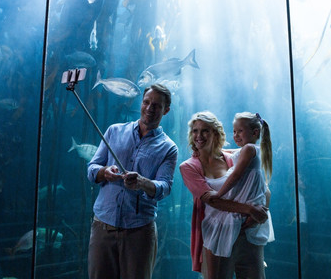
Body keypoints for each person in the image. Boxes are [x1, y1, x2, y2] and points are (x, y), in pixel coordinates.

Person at [86, 83, 178, 279]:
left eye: (157, 106)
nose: (149, 108)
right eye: (146, 102)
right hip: (103, 225)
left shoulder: (168, 147)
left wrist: (143, 182)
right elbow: (92, 169)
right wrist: (105, 171)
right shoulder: (114, 131)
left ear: (166, 110)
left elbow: (165, 187)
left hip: (139, 231)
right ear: (141, 102)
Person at [179, 111, 269, 279]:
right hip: (217, 232)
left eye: (205, 130)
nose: (199, 135)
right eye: (195, 131)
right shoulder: (188, 167)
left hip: (247, 231)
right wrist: (250, 209)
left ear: (215, 132)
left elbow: (264, 187)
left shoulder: (231, 157)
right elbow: (212, 200)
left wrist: (260, 213)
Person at [202, 112, 274, 278]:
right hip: (251, 212)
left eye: (239, 131)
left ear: (255, 132)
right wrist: (213, 149)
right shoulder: (253, 149)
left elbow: (235, 176)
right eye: (234, 131)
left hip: (242, 213)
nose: (235, 135)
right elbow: (229, 152)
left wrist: (219, 194)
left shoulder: (249, 149)